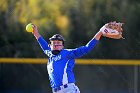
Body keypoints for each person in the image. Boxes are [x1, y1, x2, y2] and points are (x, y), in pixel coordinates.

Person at [32, 24, 103, 93]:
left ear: (62, 46)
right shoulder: (50, 54)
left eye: (58, 42)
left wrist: (99, 33)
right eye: (53, 42)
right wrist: (36, 33)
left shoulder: (67, 53)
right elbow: (43, 45)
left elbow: (86, 48)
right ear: (50, 45)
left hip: (68, 89)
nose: (56, 44)